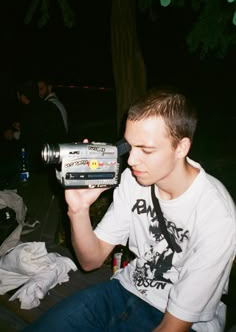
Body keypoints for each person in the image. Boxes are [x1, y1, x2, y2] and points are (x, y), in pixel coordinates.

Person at [23, 88, 236, 332]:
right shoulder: (133, 180)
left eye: (146, 150)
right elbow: (90, 261)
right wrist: (78, 210)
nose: (132, 160)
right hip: (124, 291)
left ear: (181, 147)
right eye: (129, 146)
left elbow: (173, 326)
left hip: (184, 322)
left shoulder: (217, 216)